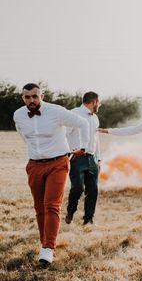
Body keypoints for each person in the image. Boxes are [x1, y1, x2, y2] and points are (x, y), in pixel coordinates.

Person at [13, 83, 90, 265]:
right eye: (27, 97)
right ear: (23, 98)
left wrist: (84, 146)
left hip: (58, 163)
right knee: (39, 207)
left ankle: (48, 248)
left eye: (35, 96)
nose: (31, 100)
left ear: (42, 96)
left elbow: (83, 122)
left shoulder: (56, 111)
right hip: (34, 165)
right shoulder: (18, 115)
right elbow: (22, 135)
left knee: (51, 205)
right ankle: (44, 243)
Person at [65, 91, 101, 225]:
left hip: (92, 158)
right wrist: (69, 151)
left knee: (93, 189)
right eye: (99, 102)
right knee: (78, 187)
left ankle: (88, 219)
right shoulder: (73, 114)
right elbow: (64, 134)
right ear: (94, 102)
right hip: (77, 157)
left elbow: (97, 139)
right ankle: (70, 210)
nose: (99, 105)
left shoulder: (95, 118)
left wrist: (99, 159)